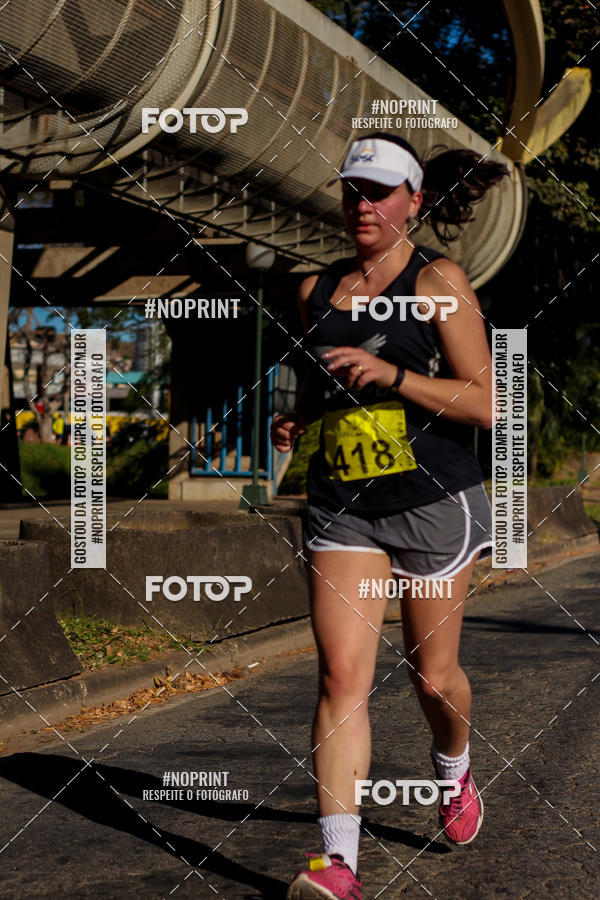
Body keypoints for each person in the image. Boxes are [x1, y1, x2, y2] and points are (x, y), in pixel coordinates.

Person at [271, 133, 509, 900]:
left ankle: (454, 769)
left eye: (378, 192)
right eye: (351, 191)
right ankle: (336, 865)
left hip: (433, 502)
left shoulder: (438, 280)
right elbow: (324, 385)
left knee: (432, 679)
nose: (361, 205)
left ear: (414, 201)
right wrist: (302, 422)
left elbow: (488, 402)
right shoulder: (314, 290)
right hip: (344, 506)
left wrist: (395, 374)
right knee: (342, 676)